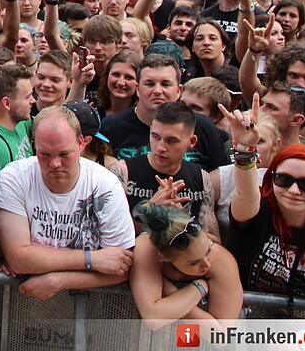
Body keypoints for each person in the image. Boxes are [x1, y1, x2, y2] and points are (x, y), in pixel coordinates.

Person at [0, 106, 136, 300]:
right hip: (24, 300)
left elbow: (121, 266)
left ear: (81, 143)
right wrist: (92, 259)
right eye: (45, 154)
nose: (54, 164)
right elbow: (19, 259)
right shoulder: (14, 177)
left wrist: (59, 280)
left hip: (87, 308)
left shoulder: (106, 185)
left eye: (63, 154)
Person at [225, 95, 305, 300]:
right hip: (249, 328)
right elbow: (245, 193)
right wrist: (245, 150)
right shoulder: (258, 212)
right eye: (283, 179)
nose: (294, 190)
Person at [99, 55, 229, 172]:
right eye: (149, 84)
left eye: (165, 84)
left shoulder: (203, 127)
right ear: (138, 89)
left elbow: (219, 180)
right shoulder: (111, 127)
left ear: (179, 90)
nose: (157, 91)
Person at [110, 101, 219, 239]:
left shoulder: (201, 177)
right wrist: (148, 211)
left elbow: (215, 242)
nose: (160, 147)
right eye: (155, 137)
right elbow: (111, 235)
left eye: (171, 140)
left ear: (191, 142)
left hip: (183, 257)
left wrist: (182, 221)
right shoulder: (123, 171)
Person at [129, 202, 243, 329]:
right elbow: (153, 319)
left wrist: (170, 292)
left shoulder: (221, 260)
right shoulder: (147, 249)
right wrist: (198, 289)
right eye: (194, 262)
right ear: (163, 257)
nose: (207, 264)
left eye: (207, 251)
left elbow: (221, 336)